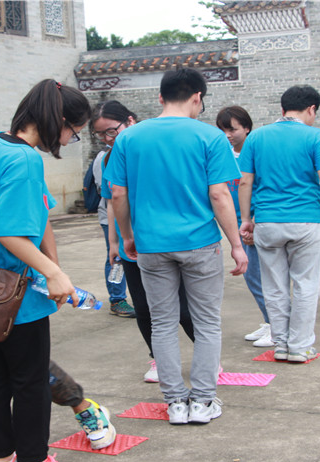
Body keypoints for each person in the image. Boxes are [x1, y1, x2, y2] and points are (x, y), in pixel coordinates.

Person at [0, 79, 92, 462]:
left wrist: (56, 264)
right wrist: (52, 272)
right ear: (59, 120)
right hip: (15, 293)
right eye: (73, 131)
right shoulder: (25, 160)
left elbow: (40, 213)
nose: (70, 138)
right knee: (29, 382)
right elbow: (10, 231)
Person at [108, 68, 247, 425]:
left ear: (160, 97)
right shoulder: (211, 138)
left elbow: (118, 194)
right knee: (206, 323)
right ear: (198, 97)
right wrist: (236, 244)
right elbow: (218, 194)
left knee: (163, 323)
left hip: (151, 245)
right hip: (200, 242)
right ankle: (202, 402)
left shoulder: (129, 138)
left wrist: (126, 236)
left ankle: (175, 404)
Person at [93, 100, 197, 382]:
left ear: (130, 120)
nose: (107, 139)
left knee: (185, 308)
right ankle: (158, 360)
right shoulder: (109, 158)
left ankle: (205, 358)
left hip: (167, 240)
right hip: (132, 245)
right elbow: (113, 202)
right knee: (144, 307)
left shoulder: (154, 144)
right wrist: (115, 243)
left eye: (111, 131)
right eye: (101, 134)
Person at [238, 85, 320, 363]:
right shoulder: (317, 137)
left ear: (282, 109)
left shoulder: (256, 137)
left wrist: (247, 219)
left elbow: (245, 181)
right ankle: (300, 346)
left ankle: (280, 344)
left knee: (274, 285)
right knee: (306, 284)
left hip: (267, 221)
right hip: (306, 220)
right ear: (311, 110)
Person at [216, 106, 274, 347]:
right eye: (223, 130)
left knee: (263, 278)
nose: (228, 135)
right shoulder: (224, 155)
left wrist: (253, 222)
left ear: (247, 128)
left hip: (256, 224)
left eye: (233, 129)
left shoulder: (257, 155)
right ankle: (270, 321)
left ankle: (278, 325)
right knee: (252, 278)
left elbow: (262, 190)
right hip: (238, 225)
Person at [91, 134, 136, 318]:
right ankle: (117, 299)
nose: (107, 137)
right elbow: (108, 193)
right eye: (102, 133)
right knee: (116, 255)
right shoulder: (104, 157)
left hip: (133, 216)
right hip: (111, 215)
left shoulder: (135, 151)